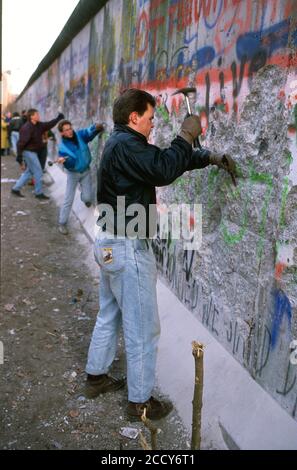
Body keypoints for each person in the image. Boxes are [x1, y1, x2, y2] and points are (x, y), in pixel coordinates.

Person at [85, 88, 237, 421]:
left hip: (110, 241)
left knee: (110, 313)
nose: (153, 124)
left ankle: (95, 377)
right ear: (133, 117)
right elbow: (162, 168)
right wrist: (186, 134)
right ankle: (139, 402)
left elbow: (160, 162)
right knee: (143, 328)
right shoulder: (127, 145)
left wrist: (205, 156)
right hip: (127, 245)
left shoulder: (122, 143)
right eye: (151, 118)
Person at [57, 120, 104, 235]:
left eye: (70, 128)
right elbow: (70, 164)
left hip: (86, 171)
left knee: (88, 198)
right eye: (66, 130)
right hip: (73, 174)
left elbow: (89, 132)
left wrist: (96, 127)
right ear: (62, 133)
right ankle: (62, 223)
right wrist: (64, 161)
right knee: (68, 199)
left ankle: (85, 200)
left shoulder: (79, 135)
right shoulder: (62, 148)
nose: (69, 131)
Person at [11, 108, 64, 199]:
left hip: (34, 152)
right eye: (37, 114)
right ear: (32, 116)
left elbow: (48, 124)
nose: (38, 116)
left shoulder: (38, 125)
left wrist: (58, 118)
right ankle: (38, 193)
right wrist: (19, 157)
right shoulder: (27, 128)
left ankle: (16, 188)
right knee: (38, 171)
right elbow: (20, 143)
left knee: (29, 172)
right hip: (28, 152)